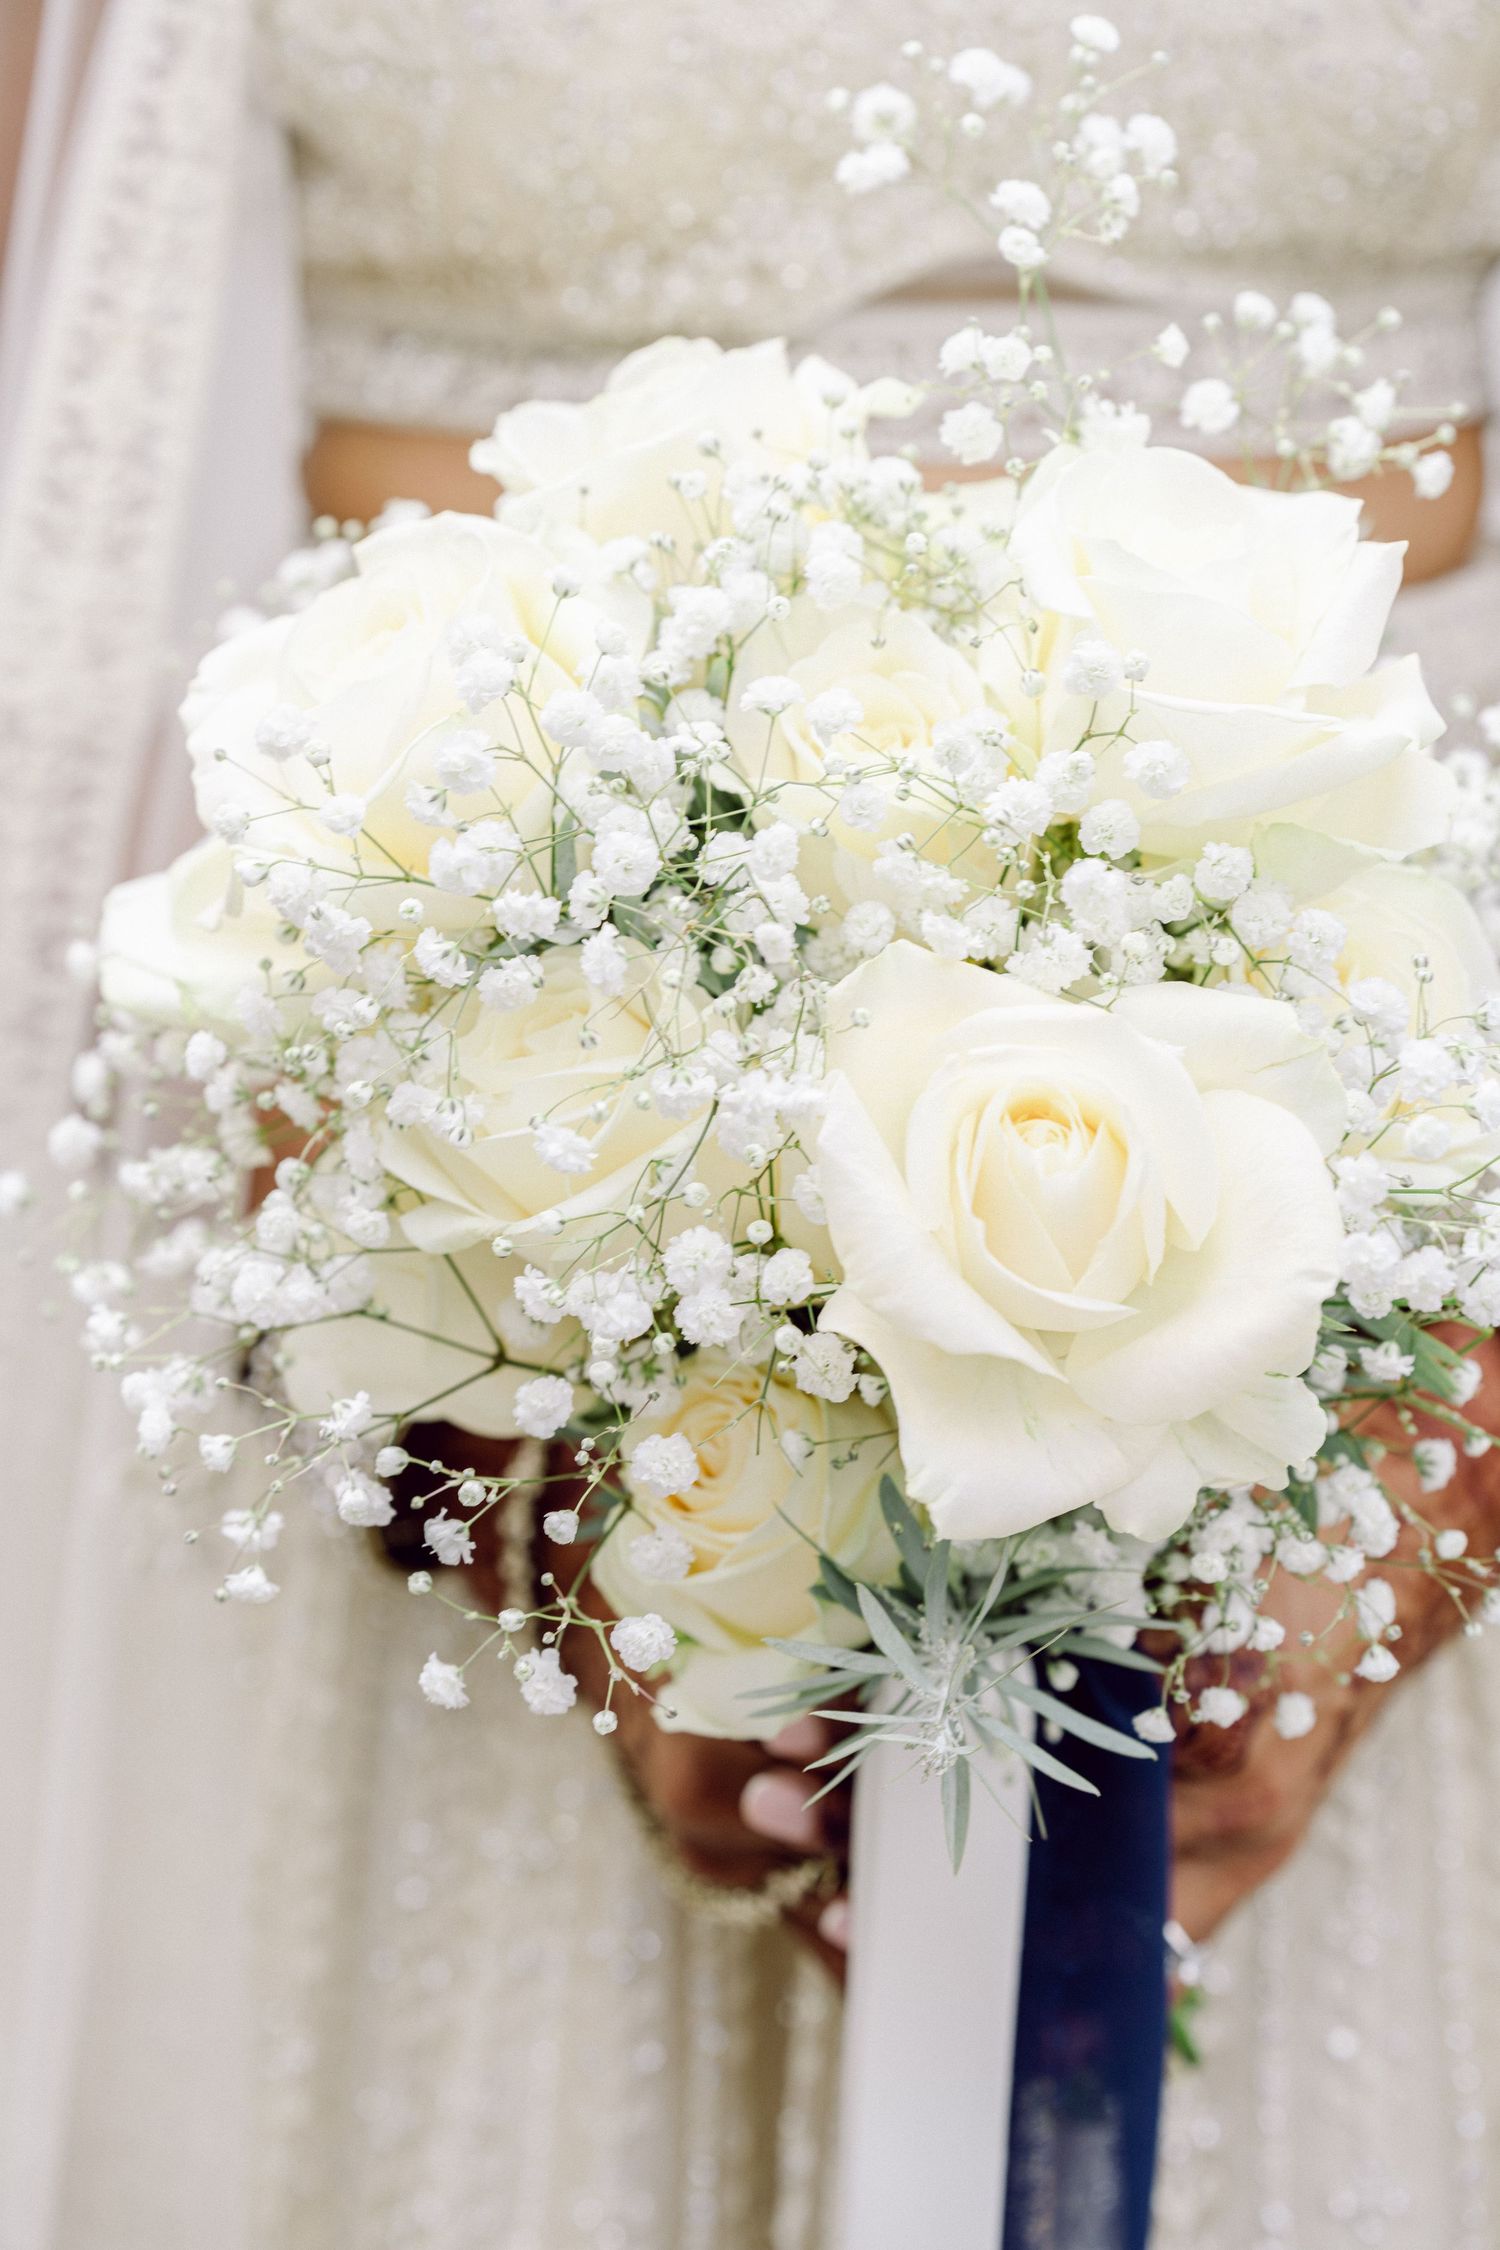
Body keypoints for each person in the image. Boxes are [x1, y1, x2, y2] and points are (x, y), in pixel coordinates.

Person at [4, 3, 1500, 2244]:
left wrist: (1442, 1450)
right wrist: (519, 1453)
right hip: (439, 1223)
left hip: (1398, 1217)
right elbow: (62, 517)